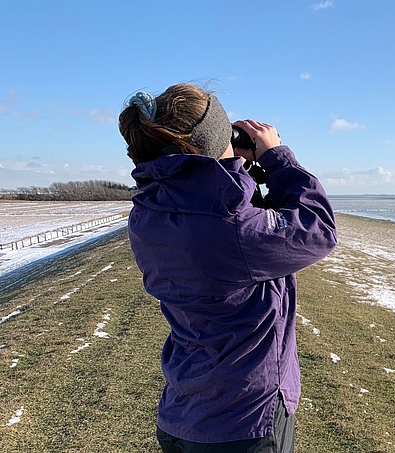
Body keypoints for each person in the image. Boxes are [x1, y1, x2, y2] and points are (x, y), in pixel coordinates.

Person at [118, 83, 337, 452]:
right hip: (242, 422)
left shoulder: (149, 212)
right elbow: (318, 230)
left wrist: (235, 172)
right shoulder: (233, 227)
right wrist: (278, 158)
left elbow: (215, 213)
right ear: (217, 138)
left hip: (184, 411)